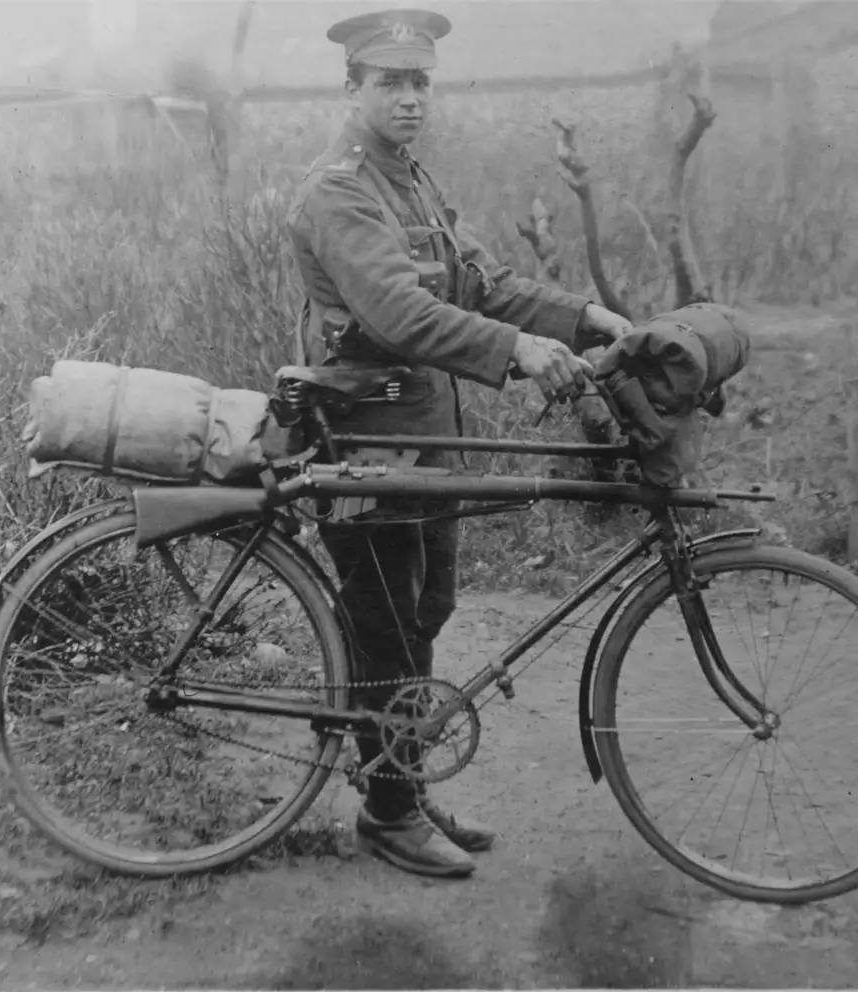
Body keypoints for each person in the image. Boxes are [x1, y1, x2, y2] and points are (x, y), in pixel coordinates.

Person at [285, 7, 633, 879]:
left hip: (424, 440)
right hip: (362, 441)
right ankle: (390, 813)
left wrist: (581, 318)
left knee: (427, 608)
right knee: (388, 625)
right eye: (389, 83)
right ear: (353, 89)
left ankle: (395, 773)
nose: (409, 100)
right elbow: (397, 311)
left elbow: (482, 281)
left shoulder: (412, 183)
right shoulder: (339, 189)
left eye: (419, 83)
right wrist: (515, 352)